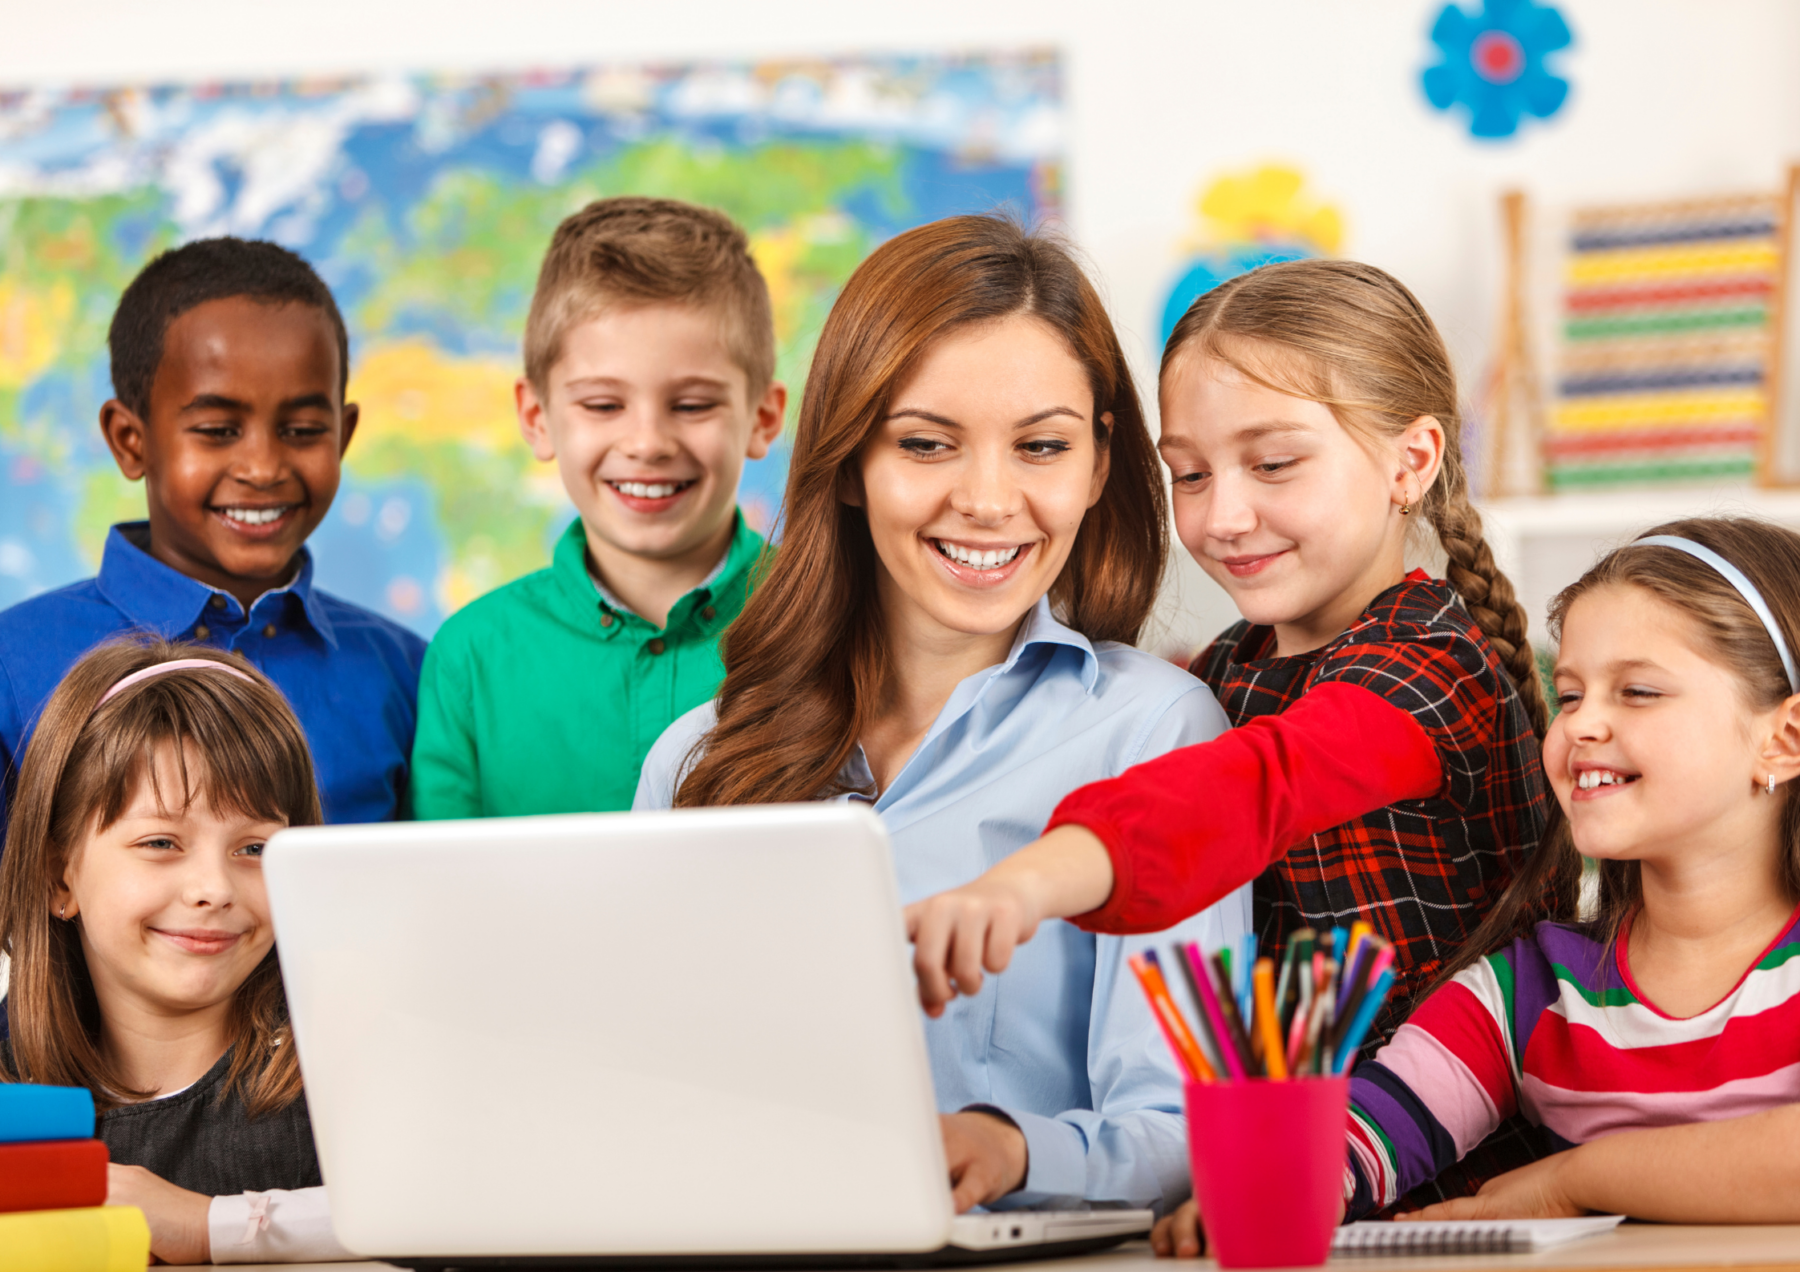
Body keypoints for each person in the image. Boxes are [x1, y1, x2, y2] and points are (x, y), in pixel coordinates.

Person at [636, 215, 1251, 1217]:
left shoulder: (1157, 732)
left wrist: (1013, 1149)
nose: (989, 499)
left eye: (1041, 446)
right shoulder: (695, 759)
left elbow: (1189, 1123)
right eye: (927, 444)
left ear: (1098, 464)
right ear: (847, 462)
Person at [905, 259, 1552, 1201]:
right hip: (1275, 1185)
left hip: (1447, 1184)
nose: (1223, 516)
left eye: (1274, 463)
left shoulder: (1430, 663)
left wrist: (1025, 884)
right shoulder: (1225, 670)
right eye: (1190, 474)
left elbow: (1253, 787)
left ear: (1412, 461)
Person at [1155, 518, 1800, 1254]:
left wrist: (1574, 1180)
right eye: (1572, 694)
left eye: (1639, 691)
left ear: (1782, 740)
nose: (1583, 724)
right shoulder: (1528, 990)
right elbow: (1368, 1132)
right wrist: (1268, 1189)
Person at [0, 238, 425, 835]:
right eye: (219, 429)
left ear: (344, 435)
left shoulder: (404, 671)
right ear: (130, 440)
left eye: (302, 430)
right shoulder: (13, 665)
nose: (263, 467)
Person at [410, 198, 785, 818]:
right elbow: (438, 892)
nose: (647, 443)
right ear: (537, 419)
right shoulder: (470, 659)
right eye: (603, 406)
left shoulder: (835, 620)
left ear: (763, 417)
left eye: (691, 406)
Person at [0, 639, 356, 1263]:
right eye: (162, 842)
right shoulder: (15, 1096)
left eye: (254, 849)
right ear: (60, 878)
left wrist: (210, 1225)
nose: (214, 890)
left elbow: (476, 1211)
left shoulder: (350, 1075)